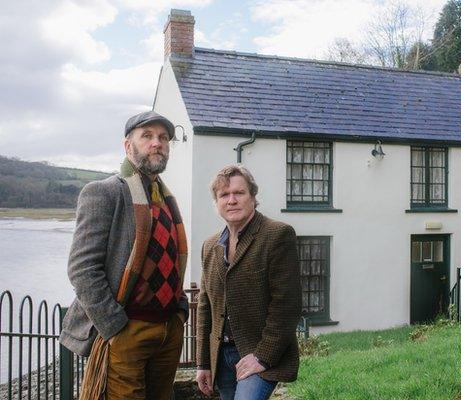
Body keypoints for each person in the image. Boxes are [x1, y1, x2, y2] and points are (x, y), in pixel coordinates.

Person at [59, 111, 189, 400]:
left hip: (168, 330)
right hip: (127, 330)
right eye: (148, 136)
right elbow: (82, 269)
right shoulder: (103, 193)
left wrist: (180, 312)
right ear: (128, 146)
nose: (157, 143)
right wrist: (115, 327)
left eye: (164, 138)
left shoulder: (167, 200)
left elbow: (172, 262)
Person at [196, 165, 301, 400]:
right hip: (221, 358)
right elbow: (205, 307)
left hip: (259, 354)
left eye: (239, 193)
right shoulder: (210, 246)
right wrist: (203, 362)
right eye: (224, 195)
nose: (231, 200)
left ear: (253, 196)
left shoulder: (277, 235)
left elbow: (287, 305)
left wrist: (262, 356)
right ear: (216, 203)